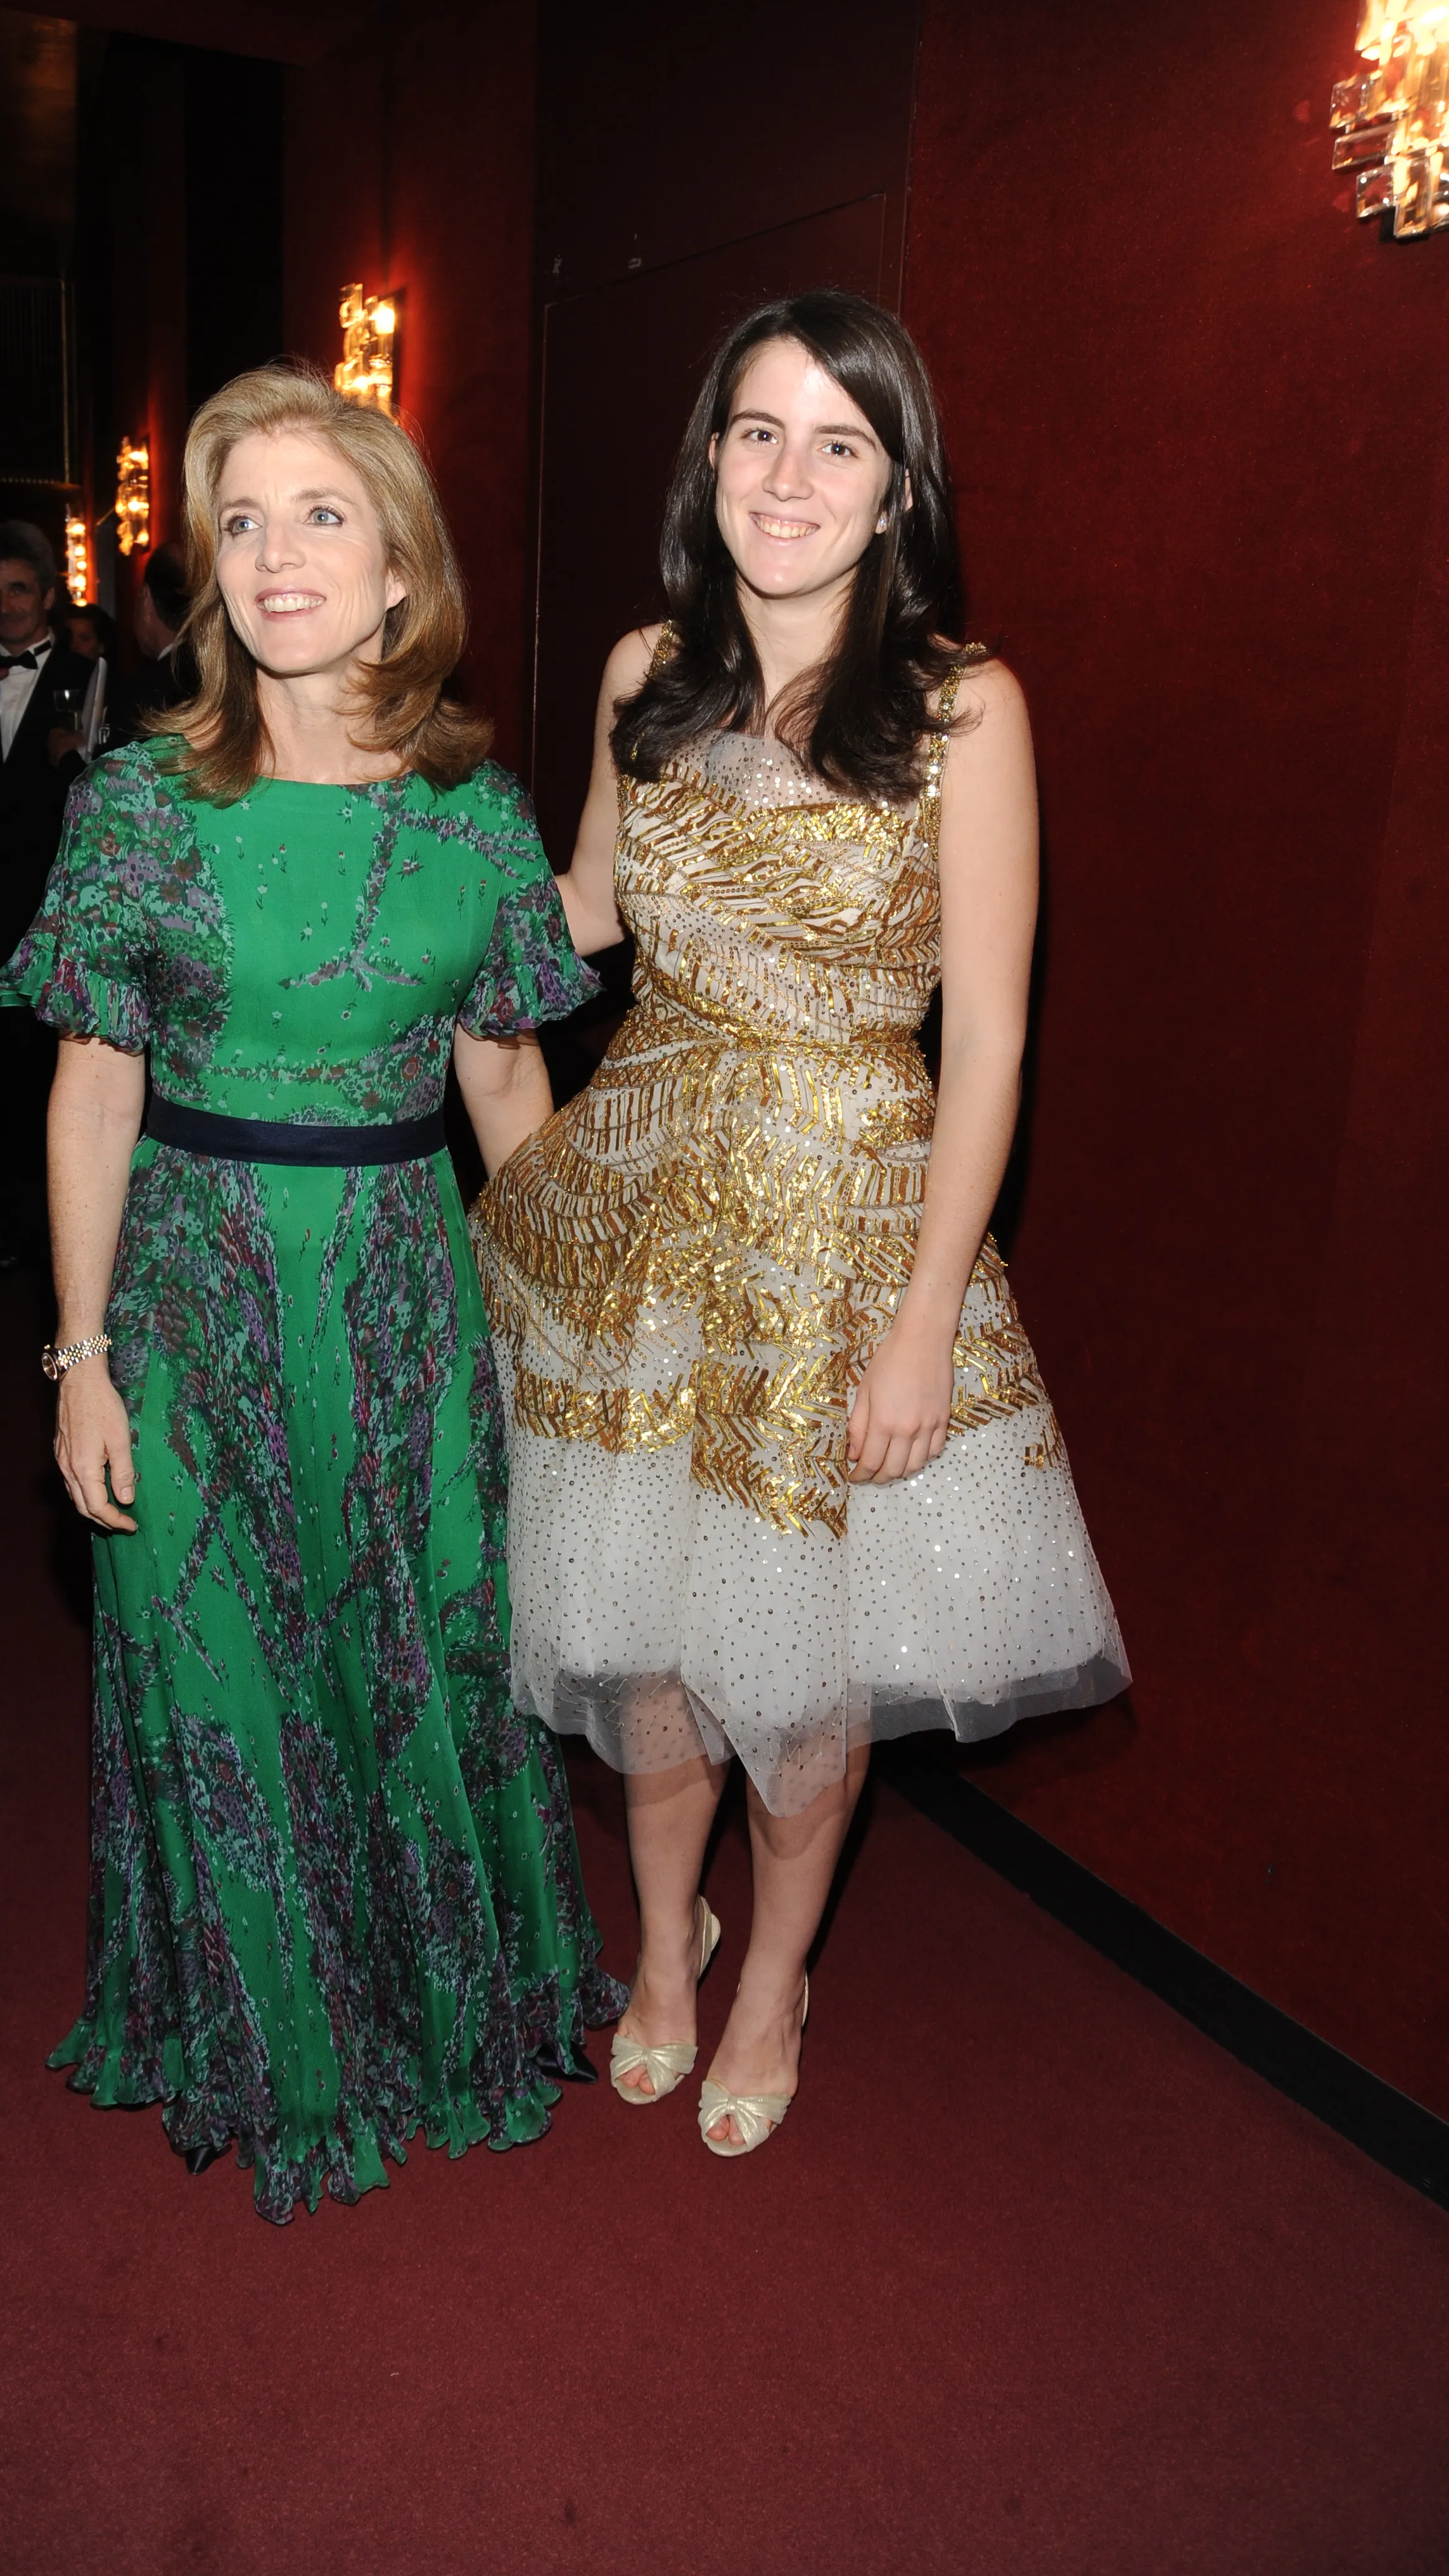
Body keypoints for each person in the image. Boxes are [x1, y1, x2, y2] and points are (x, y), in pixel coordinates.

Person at [472, 291, 1128, 2155]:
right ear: (706, 461)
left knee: (797, 1654)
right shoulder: (633, 676)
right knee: (645, 1631)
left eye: (837, 441)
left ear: (892, 487)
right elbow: (582, 911)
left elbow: (991, 1033)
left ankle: (771, 1976)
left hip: (841, 1220)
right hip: (644, 1208)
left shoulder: (960, 703)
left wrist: (922, 1314)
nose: (788, 473)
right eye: (756, 430)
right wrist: (404, 924)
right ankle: (667, 1957)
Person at [0, 362, 625, 2221]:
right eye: (243, 521)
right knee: (220, 1682)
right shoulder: (136, 798)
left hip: (411, 1315)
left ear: (398, 566)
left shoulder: (473, 814)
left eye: (319, 514)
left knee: (410, 1670)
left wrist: (579, 1332)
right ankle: (263, 2041)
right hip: (186, 1299)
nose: (276, 554)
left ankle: (438, 2014)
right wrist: (77, 1355)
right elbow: (92, 1085)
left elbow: (509, 1089)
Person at [0, 521, 98, 1275]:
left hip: (59, 920)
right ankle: (16, 1235)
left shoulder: (91, 675)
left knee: (59, 1088)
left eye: (19, 589)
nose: (4, 605)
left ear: (48, 594)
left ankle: (71, 1246)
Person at [105, 540, 191, 744]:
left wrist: (68, 757)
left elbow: (115, 774)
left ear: (146, 599)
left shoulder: (139, 698)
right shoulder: (232, 679)